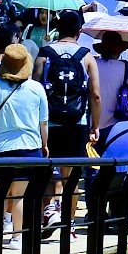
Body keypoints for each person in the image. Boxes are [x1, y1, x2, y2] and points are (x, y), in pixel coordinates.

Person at [0, 43, 47, 236]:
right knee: (19, 196)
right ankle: (17, 237)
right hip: (30, 147)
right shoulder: (36, 88)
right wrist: (44, 144)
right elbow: (43, 122)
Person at [36, 11, 96, 159]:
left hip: (49, 119)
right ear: (79, 31)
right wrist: (95, 126)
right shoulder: (87, 56)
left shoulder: (44, 54)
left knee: (49, 165)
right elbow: (96, 95)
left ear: (57, 28)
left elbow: (35, 90)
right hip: (78, 119)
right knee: (72, 166)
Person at [89, 27, 128, 139]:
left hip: (91, 121)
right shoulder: (125, 67)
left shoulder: (93, 64)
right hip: (115, 124)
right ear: (119, 50)